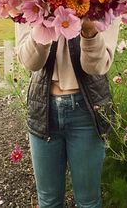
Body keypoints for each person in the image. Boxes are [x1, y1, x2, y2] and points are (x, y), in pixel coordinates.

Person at [16, 17, 120, 208]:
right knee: (48, 200)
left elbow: (96, 67)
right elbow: (31, 62)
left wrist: (89, 32)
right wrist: (44, 20)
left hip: (86, 112)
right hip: (43, 109)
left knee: (88, 201)